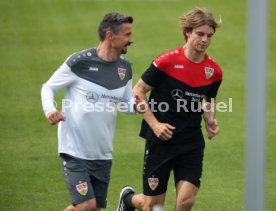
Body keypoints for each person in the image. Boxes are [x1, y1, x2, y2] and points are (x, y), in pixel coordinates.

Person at [117, 7, 223, 211]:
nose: (205, 40)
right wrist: (154, 124)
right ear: (187, 32)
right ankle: (128, 200)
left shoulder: (214, 71)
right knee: (152, 206)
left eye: (209, 36)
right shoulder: (166, 62)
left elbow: (209, 98)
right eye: (200, 34)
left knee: (186, 202)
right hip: (160, 142)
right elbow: (138, 92)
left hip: (191, 142)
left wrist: (210, 120)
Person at [41, 12, 135, 211]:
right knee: (87, 206)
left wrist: (140, 106)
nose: (131, 40)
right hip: (74, 150)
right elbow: (48, 87)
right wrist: (50, 110)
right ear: (110, 35)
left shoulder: (125, 68)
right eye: (127, 35)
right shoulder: (80, 62)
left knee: (88, 208)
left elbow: (126, 104)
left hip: (102, 153)